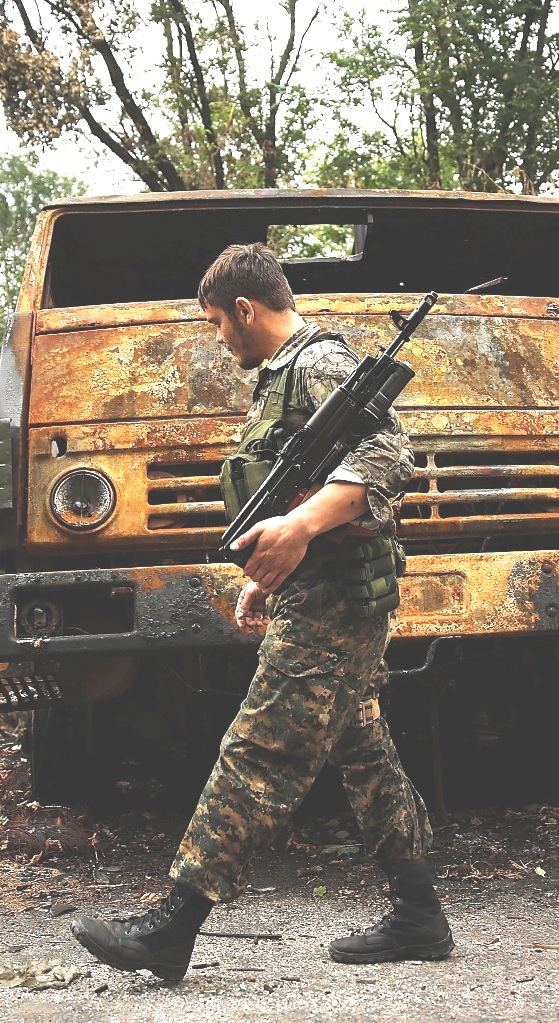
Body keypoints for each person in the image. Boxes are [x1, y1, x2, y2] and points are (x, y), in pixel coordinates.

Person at [71, 243, 453, 982]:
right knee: (362, 748)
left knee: (261, 747)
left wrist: (301, 529)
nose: (219, 338)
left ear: (244, 309)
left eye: (217, 322)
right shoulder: (282, 377)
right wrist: (273, 573)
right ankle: (419, 913)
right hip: (319, 589)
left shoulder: (319, 363)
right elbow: (299, 487)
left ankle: (172, 926)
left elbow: (389, 456)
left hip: (338, 598)